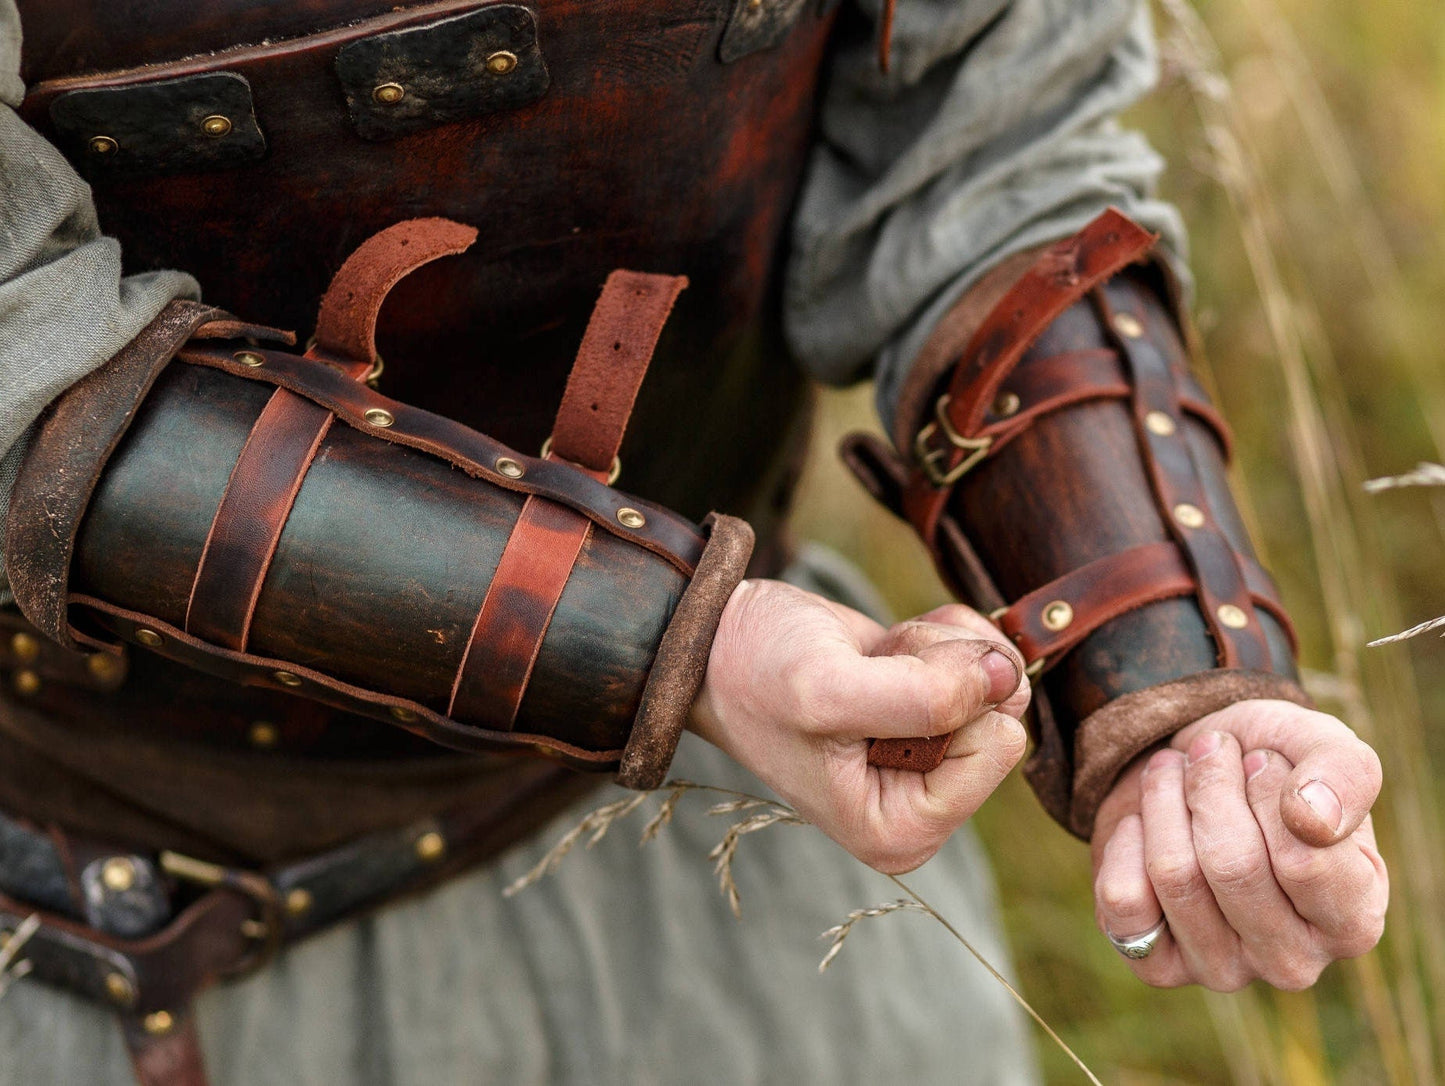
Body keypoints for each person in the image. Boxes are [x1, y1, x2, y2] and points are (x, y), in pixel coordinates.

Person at [0, 0, 1385, 1083]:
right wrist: (686, 644)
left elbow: (986, 151)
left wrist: (1170, 673)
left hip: (724, 880)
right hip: (95, 930)